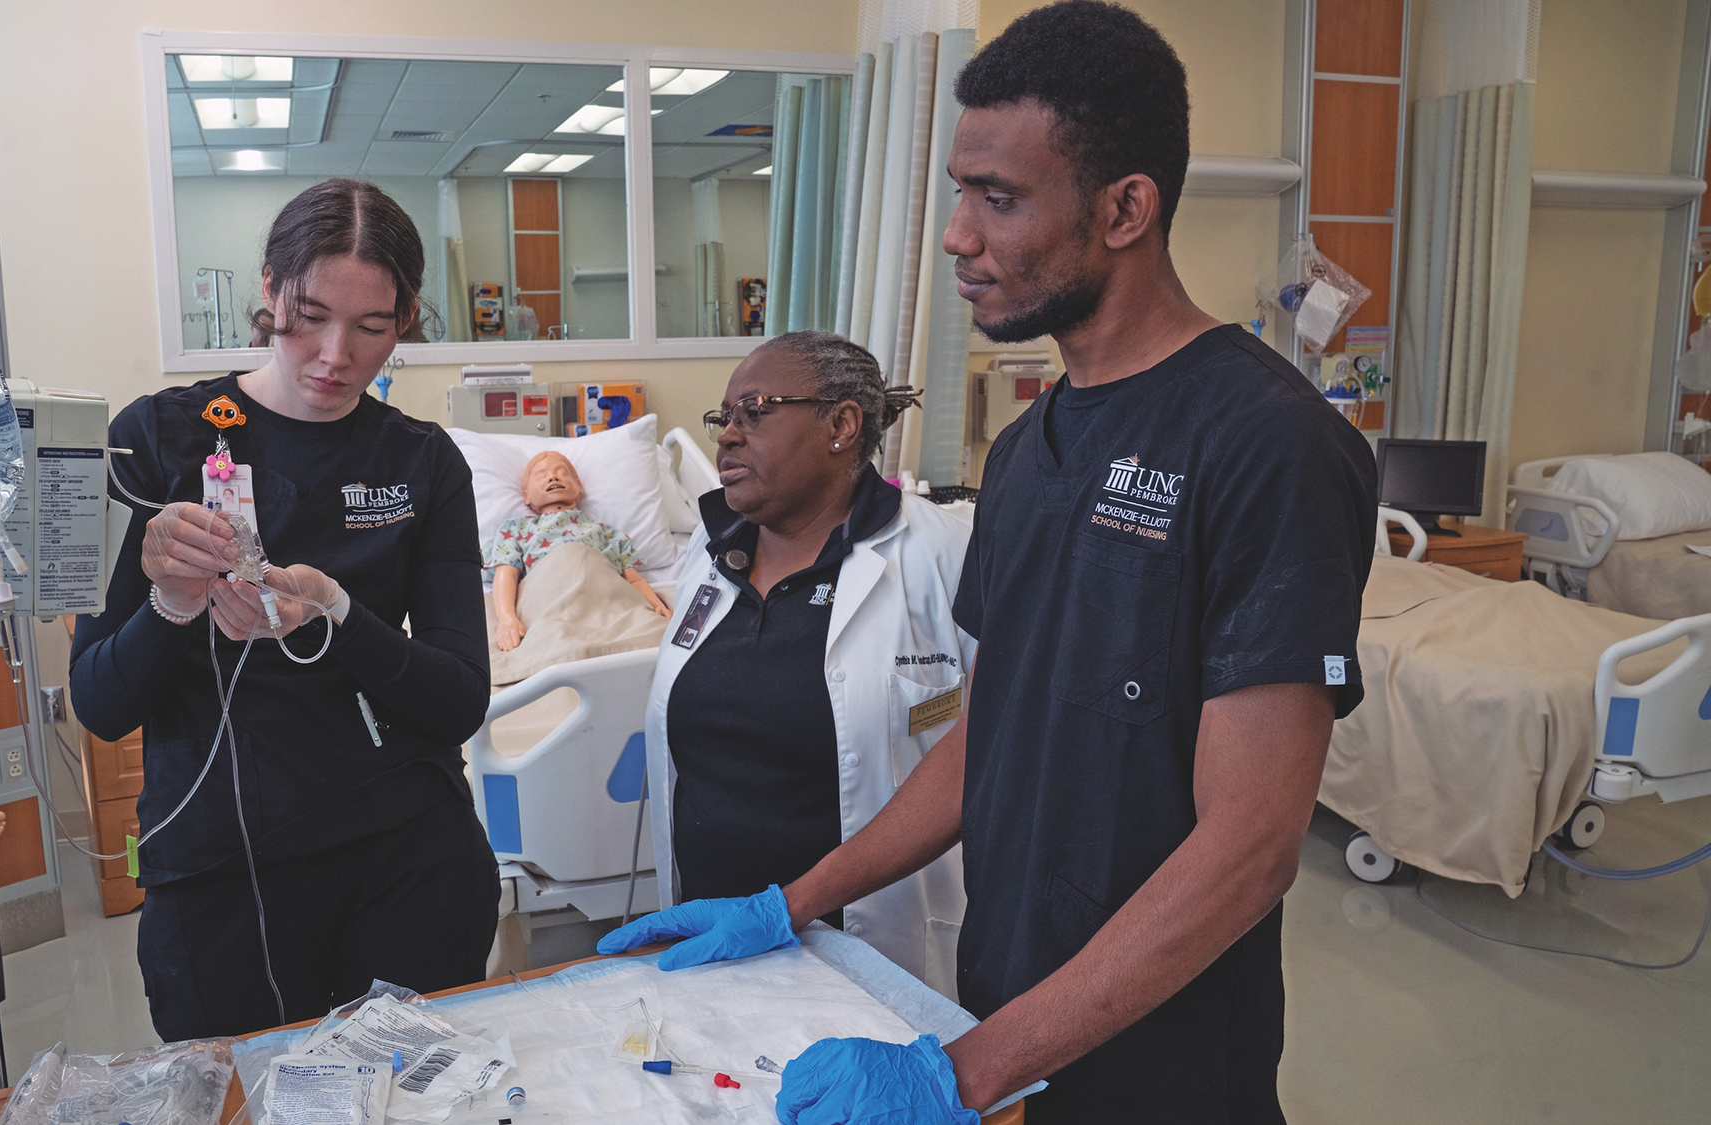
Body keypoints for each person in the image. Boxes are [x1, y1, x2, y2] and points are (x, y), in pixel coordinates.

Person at [598, 5, 1378, 1123]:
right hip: (1008, 1019)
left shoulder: (1263, 443)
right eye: (959, 193)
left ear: (1123, 208)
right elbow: (988, 731)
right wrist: (791, 902)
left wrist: (960, 1075)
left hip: (1161, 1062)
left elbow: (1250, 847)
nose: (958, 236)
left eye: (997, 199)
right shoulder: (1028, 451)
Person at [69, 178, 499, 1041]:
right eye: (307, 315)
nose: (335, 354)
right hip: (225, 868)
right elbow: (99, 703)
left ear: (405, 318)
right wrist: (170, 604)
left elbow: (458, 698)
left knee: (405, 1101)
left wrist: (338, 614)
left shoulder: (423, 461)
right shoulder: (153, 439)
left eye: (372, 328)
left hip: (407, 856)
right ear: (267, 291)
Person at [601, 330, 974, 989]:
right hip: (715, 948)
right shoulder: (710, 556)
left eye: (757, 410)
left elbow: (994, 738)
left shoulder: (943, 551)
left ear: (841, 423)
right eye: (724, 418)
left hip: (871, 956)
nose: (727, 435)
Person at [489, 451, 670, 653]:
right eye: (541, 475)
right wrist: (507, 618)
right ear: (526, 496)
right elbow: (506, 575)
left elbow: (633, 580)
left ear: (579, 486)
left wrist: (655, 605)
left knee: (656, 634)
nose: (553, 477)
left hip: (605, 601)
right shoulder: (515, 529)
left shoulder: (606, 532)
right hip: (550, 601)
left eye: (562, 472)